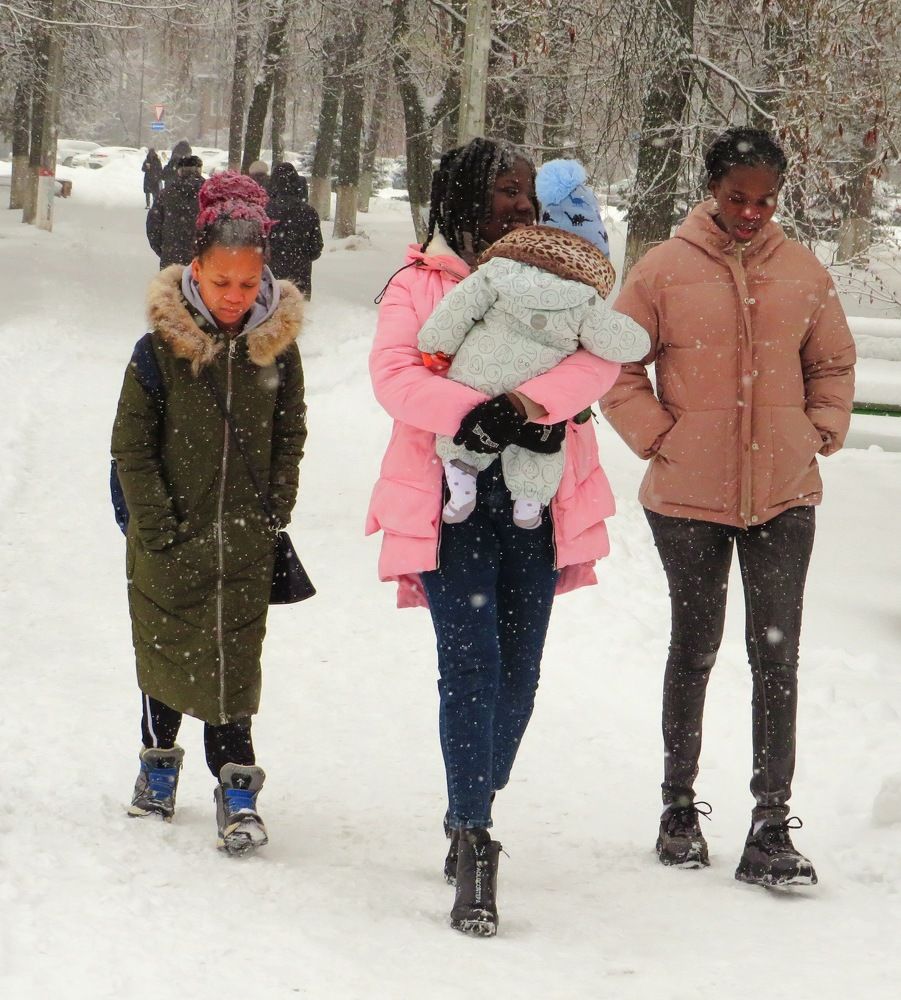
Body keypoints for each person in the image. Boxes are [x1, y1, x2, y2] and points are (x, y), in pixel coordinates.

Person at [366, 138, 623, 935]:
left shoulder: (561, 268)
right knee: (471, 663)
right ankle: (474, 837)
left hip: (537, 502)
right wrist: (473, 416)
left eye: (524, 192)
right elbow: (395, 374)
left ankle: (473, 791)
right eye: (502, 191)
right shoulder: (418, 282)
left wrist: (526, 407)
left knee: (520, 673)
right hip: (452, 501)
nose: (518, 204)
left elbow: (600, 357)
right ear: (462, 198)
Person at [601, 126, 856, 888]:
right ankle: (678, 809)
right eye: (736, 197)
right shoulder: (661, 270)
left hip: (783, 492)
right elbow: (615, 365)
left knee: (775, 654)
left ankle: (769, 825)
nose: (749, 212)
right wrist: (659, 438)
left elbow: (832, 360)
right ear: (710, 188)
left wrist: (818, 429)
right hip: (687, 496)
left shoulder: (803, 272)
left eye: (764, 200)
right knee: (696, 646)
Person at [111, 171, 307, 855]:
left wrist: (273, 507)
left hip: (242, 541)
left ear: (264, 280)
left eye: (247, 284)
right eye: (222, 282)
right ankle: (157, 763)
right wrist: (158, 527)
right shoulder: (159, 351)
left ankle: (237, 787)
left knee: (232, 665)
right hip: (168, 540)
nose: (233, 297)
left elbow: (290, 431)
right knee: (164, 655)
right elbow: (130, 446)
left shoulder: (274, 348)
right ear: (196, 269)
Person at [416, 194, 649, 529]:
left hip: (477, 376)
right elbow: (623, 345)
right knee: (539, 448)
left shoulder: (494, 272)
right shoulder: (585, 302)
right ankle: (530, 500)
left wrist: (436, 346)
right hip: (537, 396)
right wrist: (640, 337)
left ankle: (461, 479)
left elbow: (457, 310)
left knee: (460, 441)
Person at [267, 162, 324, 299]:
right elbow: (316, 248)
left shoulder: (264, 210)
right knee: (295, 318)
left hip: (269, 278)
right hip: (300, 278)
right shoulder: (309, 212)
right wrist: (300, 257)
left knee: (268, 317)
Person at [146, 155, 204, 268]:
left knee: (171, 285)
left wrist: (165, 250)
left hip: (171, 259)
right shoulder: (209, 195)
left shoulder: (165, 194)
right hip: (203, 262)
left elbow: (153, 228)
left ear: (179, 171)